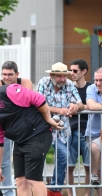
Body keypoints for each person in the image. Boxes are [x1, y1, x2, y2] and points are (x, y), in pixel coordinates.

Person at [0, 80, 62, 196]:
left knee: (33, 178)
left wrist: (48, 118)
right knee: (20, 180)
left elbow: (38, 98)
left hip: (38, 134)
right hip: (20, 141)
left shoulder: (8, 91)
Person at [37, 62, 83, 196]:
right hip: (44, 128)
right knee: (39, 158)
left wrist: (75, 106)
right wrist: (59, 110)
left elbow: (79, 102)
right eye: (59, 76)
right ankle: (41, 187)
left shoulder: (69, 84)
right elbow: (39, 104)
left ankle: (54, 188)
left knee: (63, 156)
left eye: (64, 76)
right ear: (51, 75)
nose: (63, 79)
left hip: (62, 130)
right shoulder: (43, 83)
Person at [0, 61, 33, 196]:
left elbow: (28, 102)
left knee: (26, 159)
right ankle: (7, 193)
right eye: (4, 74)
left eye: (10, 74)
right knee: (4, 161)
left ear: (17, 74)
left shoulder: (25, 82)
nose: (7, 77)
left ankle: (26, 191)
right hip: (5, 128)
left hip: (23, 128)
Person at [67, 59, 91, 196]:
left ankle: (87, 194)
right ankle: (70, 194)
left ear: (84, 71)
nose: (72, 73)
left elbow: (94, 106)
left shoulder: (92, 87)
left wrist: (82, 107)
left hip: (88, 131)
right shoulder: (68, 87)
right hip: (71, 131)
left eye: (75, 71)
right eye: (71, 70)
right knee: (69, 167)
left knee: (89, 167)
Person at [85, 67, 102, 195]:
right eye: (96, 80)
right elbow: (91, 105)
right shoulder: (91, 88)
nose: (98, 83)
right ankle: (94, 176)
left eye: (101, 80)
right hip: (93, 133)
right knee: (95, 150)